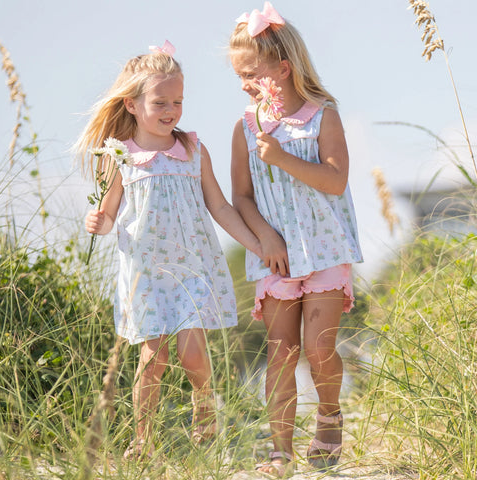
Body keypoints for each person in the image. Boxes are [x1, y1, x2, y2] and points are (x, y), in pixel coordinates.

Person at [75, 41, 263, 460]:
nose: (171, 109)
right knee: (153, 356)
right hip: (146, 273)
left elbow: (219, 206)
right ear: (132, 104)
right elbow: (107, 217)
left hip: (193, 267)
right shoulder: (119, 156)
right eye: (160, 101)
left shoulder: (193, 151)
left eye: (178, 100)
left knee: (193, 350)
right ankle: (143, 440)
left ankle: (205, 414)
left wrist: (256, 244)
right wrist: (98, 223)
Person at [229, 3, 363, 476]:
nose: (243, 83)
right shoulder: (244, 128)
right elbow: (242, 197)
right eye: (238, 75)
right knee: (281, 350)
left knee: (319, 347)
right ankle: (279, 451)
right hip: (276, 257)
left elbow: (335, 181)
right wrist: (264, 237)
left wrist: (283, 157)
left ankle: (329, 414)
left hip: (325, 247)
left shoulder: (323, 116)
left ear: (281, 69)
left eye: (250, 73)